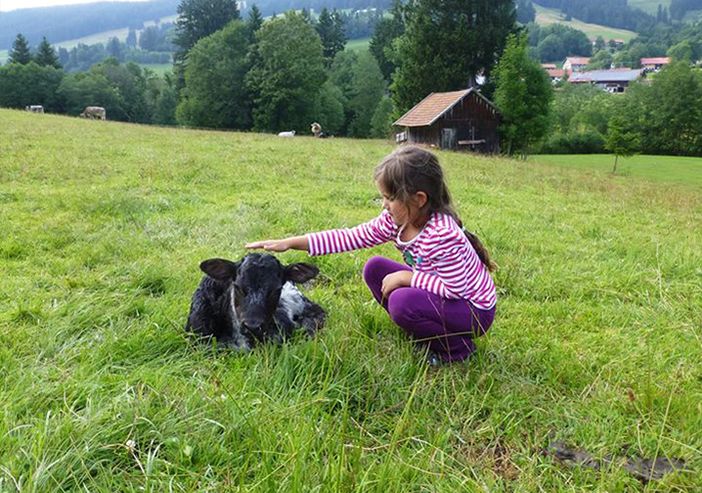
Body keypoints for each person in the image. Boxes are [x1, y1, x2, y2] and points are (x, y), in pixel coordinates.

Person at [246, 145, 496, 365]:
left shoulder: (443, 235)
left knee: (401, 302)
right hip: (441, 291)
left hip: (473, 310)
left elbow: (454, 289)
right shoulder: (397, 221)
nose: (384, 205)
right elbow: (350, 237)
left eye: (389, 198)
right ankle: (424, 330)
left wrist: (405, 278)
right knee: (374, 268)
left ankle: (457, 350)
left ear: (419, 199)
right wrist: (289, 243)